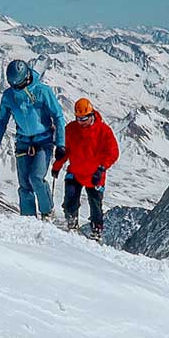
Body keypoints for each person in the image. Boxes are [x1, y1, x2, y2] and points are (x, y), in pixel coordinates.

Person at [0, 59, 65, 218]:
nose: (16, 89)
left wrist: (60, 144)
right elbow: (2, 121)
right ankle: (28, 220)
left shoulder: (42, 91)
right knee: (24, 186)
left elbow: (58, 116)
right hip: (23, 142)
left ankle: (46, 212)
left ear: (27, 77)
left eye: (18, 85)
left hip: (44, 141)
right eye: (13, 85)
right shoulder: (9, 96)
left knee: (36, 178)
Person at [53, 98, 120, 240]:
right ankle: (71, 221)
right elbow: (66, 150)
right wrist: (56, 166)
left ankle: (96, 230)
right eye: (78, 118)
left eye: (84, 118)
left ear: (91, 115)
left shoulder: (104, 131)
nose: (81, 122)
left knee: (96, 204)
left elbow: (113, 152)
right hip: (75, 172)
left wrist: (101, 168)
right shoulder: (71, 129)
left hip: (95, 175)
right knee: (70, 198)